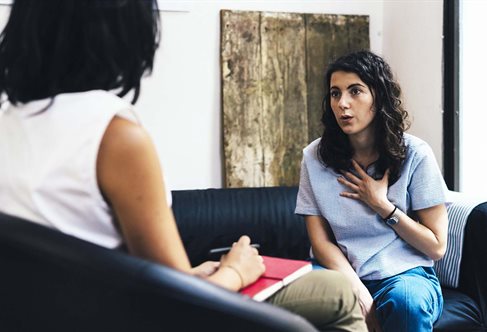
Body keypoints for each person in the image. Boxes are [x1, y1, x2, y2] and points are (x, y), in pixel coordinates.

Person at [0, 1, 367, 331]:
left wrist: (193, 273)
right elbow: (175, 305)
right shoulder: (114, 135)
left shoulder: (8, 120)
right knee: (337, 292)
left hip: (60, 312)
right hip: (124, 316)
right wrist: (235, 270)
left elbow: (101, 261)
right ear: (123, 31)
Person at [295, 50, 448, 332]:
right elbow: (321, 242)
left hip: (404, 275)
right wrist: (356, 289)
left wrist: (382, 205)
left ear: (378, 97)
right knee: (294, 305)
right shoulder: (314, 157)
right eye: (335, 93)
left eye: (355, 91)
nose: (343, 103)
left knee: (407, 304)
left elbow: (436, 246)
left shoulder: (416, 154)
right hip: (338, 272)